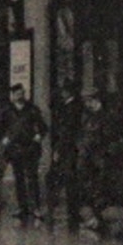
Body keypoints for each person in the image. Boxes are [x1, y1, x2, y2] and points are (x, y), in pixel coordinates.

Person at [0, 83, 48, 223]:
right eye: (17, 94)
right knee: (19, 179)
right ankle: (22, 208)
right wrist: (4, 139)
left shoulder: (32, 109)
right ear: (12, 96)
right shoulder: (7, 111)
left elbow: (43, 127)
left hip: (30, 148)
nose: (20, 96)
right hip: (14, 149)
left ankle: (36, 208)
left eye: (22, 93)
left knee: (32, 178)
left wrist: (38, 136)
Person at [49, 83, 82, 224]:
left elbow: (65, 132)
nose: (62, 93)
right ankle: (67, 210)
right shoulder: (69, 107)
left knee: (64, 178)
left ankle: (65, 211)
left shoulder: (71, 108)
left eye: (64, 91)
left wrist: (57, 150)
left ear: (68, 92)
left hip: (66, 149)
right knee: (65, 179)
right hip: (67, 148)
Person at [77, 91, 110, 229]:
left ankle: (97, 218)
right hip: (87, 157)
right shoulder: (87, 117)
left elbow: (109, 138)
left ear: (96, 100)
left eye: (89, 101)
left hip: (99, 157)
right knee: (87, 187)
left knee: (98, 188)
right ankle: (92, 218)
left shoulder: (106, 117)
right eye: (85, 101)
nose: (87, 104)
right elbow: (83, 134)